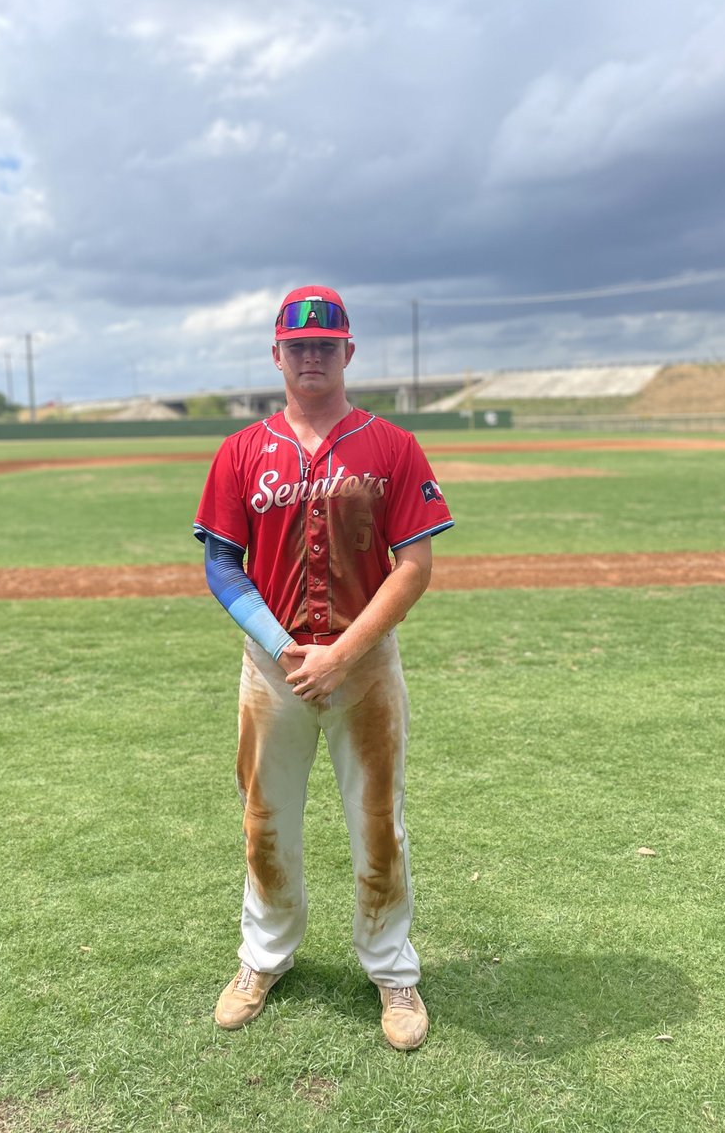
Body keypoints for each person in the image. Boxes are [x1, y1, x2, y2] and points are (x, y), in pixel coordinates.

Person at [193, 285, 454, 1050]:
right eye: (297, 346)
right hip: (273, 669)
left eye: (326, 344)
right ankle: (262, 959)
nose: (312, 356)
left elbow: (414, 566)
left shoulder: (393, 446)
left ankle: (392, 970)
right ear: (277, 355)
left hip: (364, 665)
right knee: (265, 820)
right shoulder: (242, 451)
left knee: (378, 823)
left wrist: (342, 653)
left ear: (348, 352)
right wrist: (286, 649)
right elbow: (221, 566)